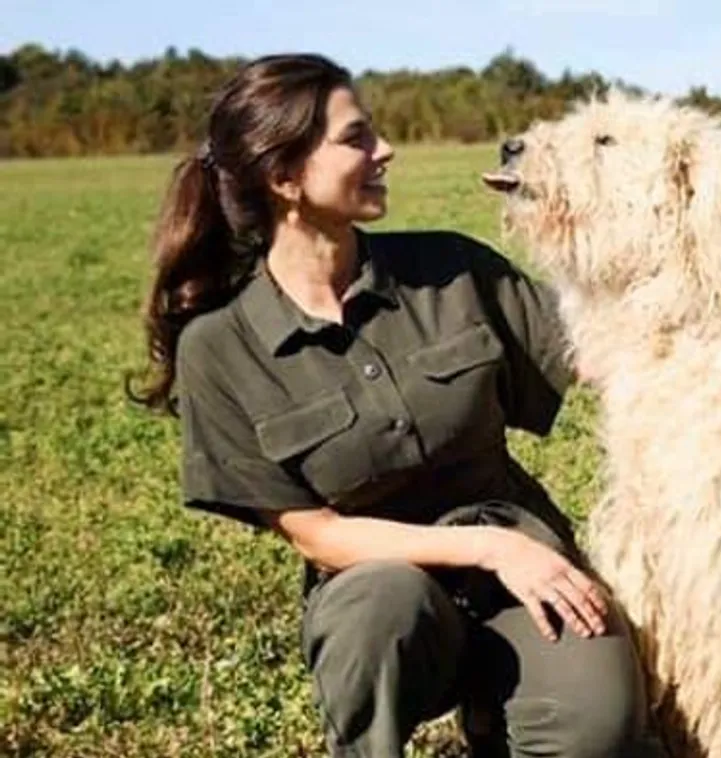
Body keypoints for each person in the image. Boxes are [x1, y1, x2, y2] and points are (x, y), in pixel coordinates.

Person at [128, 52, 657, 758]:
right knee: (382, 604)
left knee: (603, 730)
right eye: (356, 140)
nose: (386, 151)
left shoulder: (451, 268)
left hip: (517, 564)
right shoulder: (221, 347)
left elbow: (596, 355)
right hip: (385, 595)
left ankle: (498, 713)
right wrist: (490, 548)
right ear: (283, 177)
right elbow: (315, 534)